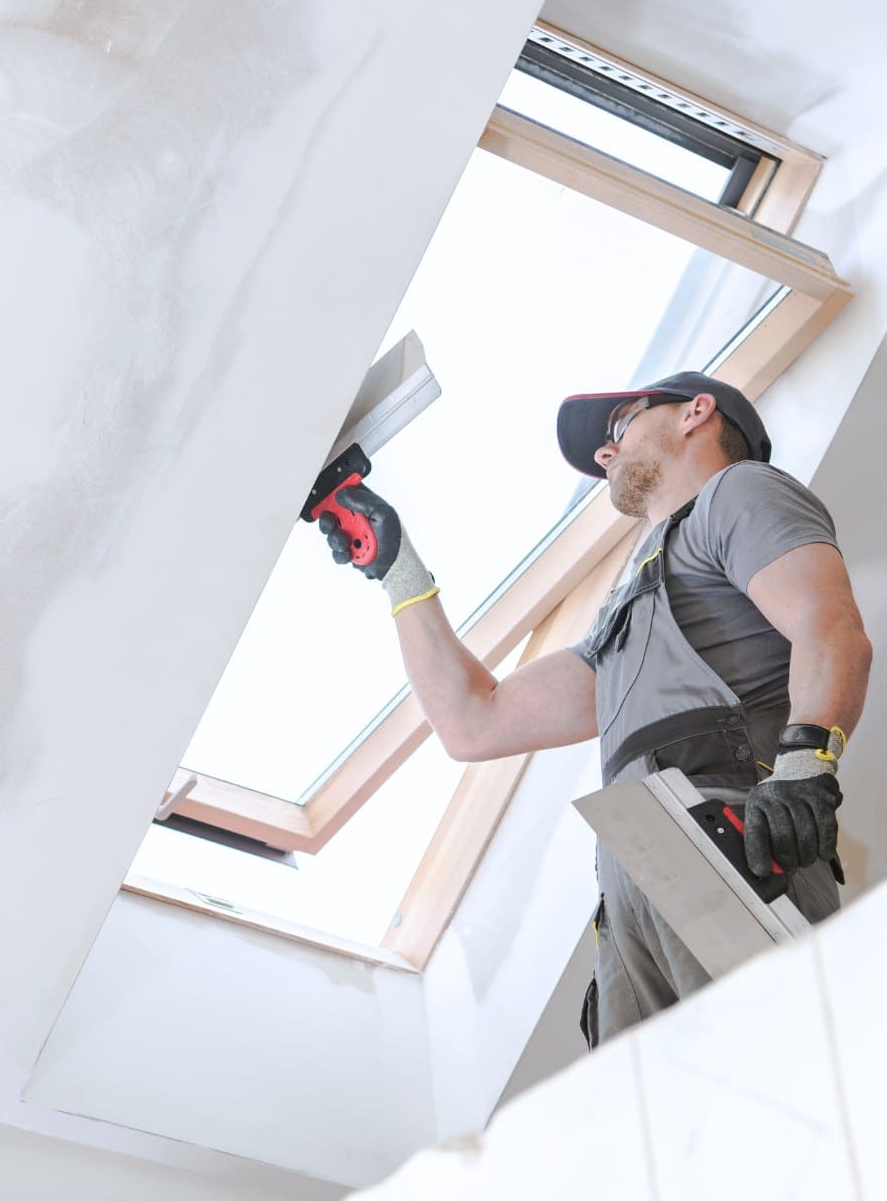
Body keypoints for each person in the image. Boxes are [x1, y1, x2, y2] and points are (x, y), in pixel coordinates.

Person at [317, 372, 872, 1046]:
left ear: (698, 412)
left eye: (617, 430)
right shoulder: (626, 614)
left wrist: (805, 768)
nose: (606, 456)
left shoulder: (739, 492)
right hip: (638, 879)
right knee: (664, 1138)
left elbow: (830, 624)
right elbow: (473, 721)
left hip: (731, 838)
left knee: (773, 1081)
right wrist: (396, 565)